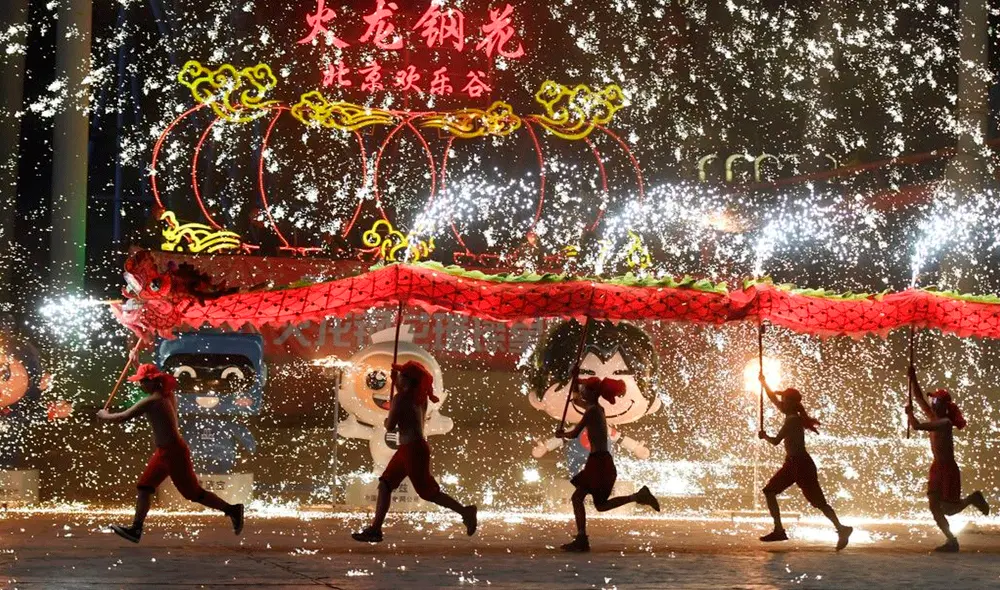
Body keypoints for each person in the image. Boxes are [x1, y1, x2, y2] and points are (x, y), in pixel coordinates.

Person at [97, 363, 244, 543]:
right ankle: (136, 529)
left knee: (193, 493)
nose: (140, 386)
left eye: (142, 382)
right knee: (144, 487)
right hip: (164, 452)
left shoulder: (152, 401)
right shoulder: (166, 394)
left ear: (153, 382)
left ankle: (232, 510)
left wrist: (104, 415)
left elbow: (121, 417)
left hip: (174, 453)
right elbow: (150, 379)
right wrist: (135, 361)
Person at [351, 361, 477, 543]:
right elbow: (405, 402)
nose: (398, 377)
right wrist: (397, 385)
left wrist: (388, 416)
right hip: (410, 448)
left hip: (412, 450)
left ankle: (466, 511)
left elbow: (390, 426)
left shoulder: (401, 399)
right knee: (385, 484)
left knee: (428, 493)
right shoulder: (420, 397)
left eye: (401, 375)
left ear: (407, 380)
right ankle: (375, 529)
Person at [556, 376, 660, 552]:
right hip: (599, 461)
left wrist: (562, 434)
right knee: (599, 505)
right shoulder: (596, 408)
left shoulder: (592, 411)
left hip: (599, 463)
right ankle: (638, 496)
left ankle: (582, 538)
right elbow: (575, 400)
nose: (581, 392)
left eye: (584, 389)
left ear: (590, 393)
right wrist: (576, 381)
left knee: (578, 498)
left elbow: (574, 434)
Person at [758, 372, 852, 551]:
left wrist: (764, 436)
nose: (781, 403)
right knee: (769, 491)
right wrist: (764, 384)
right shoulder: (791, 415)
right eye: (783, 399)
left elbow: (776, 441)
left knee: (819, 503)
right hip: (792, 463)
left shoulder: (792, 421)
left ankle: (842, 529)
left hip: (801, 465)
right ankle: (779, 530)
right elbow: (773, 399)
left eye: (785, 400)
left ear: (792, 403)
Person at [906, 364, 989, 552]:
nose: (932, 405)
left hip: (948, 469)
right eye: (933, 402)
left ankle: (972, 499)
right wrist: (913, 378)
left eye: (935, 402)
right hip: (937, 467)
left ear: (943, 406)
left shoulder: (944, 423)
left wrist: (910, 414)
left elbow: (917, 426)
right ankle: (951, 540)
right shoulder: (934, 417)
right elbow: (919, 398)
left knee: (949, 510)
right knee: (934, 508)